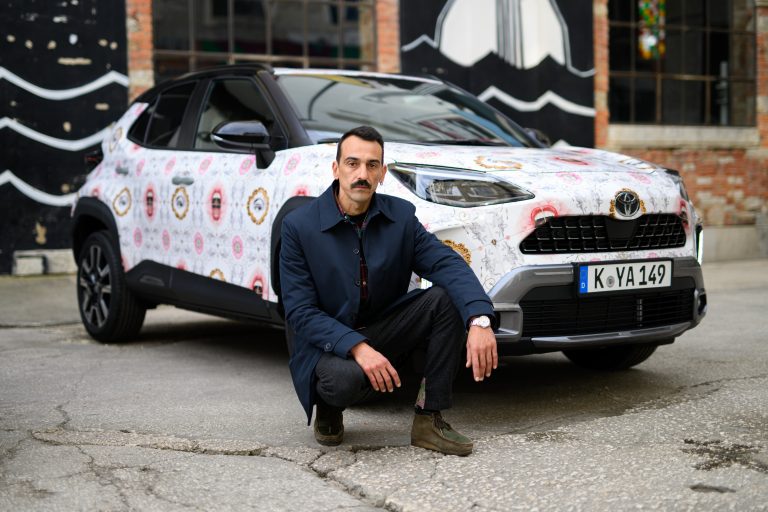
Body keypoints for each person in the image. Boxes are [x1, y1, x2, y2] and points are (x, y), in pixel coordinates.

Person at [279, 125, 497, 456]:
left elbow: (447, 265)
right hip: (324, 346)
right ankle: (328, 406)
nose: (361, 174)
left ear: (382, 173)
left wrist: (479, 319)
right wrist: (357, 348)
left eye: (371, 165)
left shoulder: (401, 218)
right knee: (344, 380)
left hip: (382, 328)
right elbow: (300, 312)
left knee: (444, 298)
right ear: (336, 169)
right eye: (352, 164)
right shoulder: (298, 226)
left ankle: (428, 418)